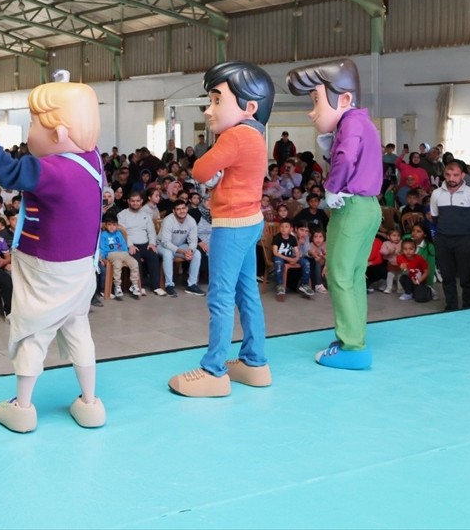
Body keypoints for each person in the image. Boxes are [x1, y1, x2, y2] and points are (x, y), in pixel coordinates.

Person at [0, 70, 106, 434]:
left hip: (45, 269)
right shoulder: (94, 160)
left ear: (59, 134)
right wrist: (63, 87)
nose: (29, 134)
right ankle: (90, 403)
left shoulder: (52, 170)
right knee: (78, 328)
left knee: (33, 331)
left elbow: (6, 172)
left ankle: (23, 408)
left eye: (32, 125)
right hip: (81, 268)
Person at [168, 61, 275, 398]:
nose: (208, 109)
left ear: (250, 106)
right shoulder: (256, 135)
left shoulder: (234, 136)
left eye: (216, 100)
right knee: (247, 294)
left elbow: (200, 171)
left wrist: (212, 160)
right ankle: (255, 362)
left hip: (231, 226)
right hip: (252, 222)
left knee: (220, 297)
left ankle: (214, 369)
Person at [287, 58, 383, 370]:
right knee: (354, 277)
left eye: (316, 100)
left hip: (351, 206)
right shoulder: (362, 122)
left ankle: (352, 347)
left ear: (343, 99)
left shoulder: (352, 124)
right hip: (368, 207)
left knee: (339, 277)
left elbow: (346, 156)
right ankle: (354, 337)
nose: (311, 111)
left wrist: (332, 184)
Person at [429, 160, 470, 311]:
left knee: (467, 277)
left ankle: (468, 307)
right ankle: (451, 307)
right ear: (444, 174)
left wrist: (469, 237)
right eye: (448, 174)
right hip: (443, 240)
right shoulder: (436, 194)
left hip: (465, 240)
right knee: (447, 277)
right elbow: (435, 218)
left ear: (463, 175)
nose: (451, 178)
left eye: (455, 175)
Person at [157, 199, 203, 297]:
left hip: (180, 246)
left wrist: (190, 251)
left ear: (187, 209)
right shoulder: (168, 220)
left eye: (183, 208)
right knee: (168, 254)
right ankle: (169, 285)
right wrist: (182, 251)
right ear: (174, 211)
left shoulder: (191, 220)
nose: (182, 211)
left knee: (197, 253)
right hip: (162, 246)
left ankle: (192, 285)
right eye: (178, 209)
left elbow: (193, 240)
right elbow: (165, 242)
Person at [98, 212, 141, 299]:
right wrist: (102, 257)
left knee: (134, 263)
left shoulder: (119, 233)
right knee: (117, 264)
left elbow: (124, 244)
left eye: (114, 225)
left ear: (117, 225)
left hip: (123, 253)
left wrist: (126, 253)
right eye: (109, 224)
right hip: (111, 254)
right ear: (105, 225)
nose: (112, 227)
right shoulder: (103, 235)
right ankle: (117, 286)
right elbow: (101, 247)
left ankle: (134, 284)